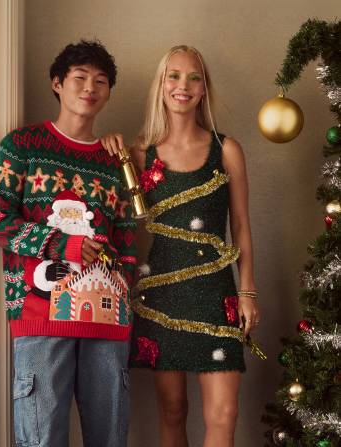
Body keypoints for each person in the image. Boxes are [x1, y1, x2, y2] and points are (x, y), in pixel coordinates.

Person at [101, 45, 260, 447]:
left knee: (224, 415)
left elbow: (240, 226)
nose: (183, 85)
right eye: (173, 76)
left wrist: (247, 291)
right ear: (161, 85)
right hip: (161, 295)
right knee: (172, 410)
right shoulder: (138, 154)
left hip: (216, 294)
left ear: (204, 89)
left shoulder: (228, 150)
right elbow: (114, 218)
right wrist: (109, 147)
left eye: (193, 77)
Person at [0, 40, 137, 447]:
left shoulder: (113, 162)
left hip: (108, 319)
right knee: (41, 439)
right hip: (39, 313)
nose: (90, 88)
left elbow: (126, 234)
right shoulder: (21, 146)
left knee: (110, 439)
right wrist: (60, 246)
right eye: (80, 78)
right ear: (57, 83)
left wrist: (126, 280)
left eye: (100, 81)